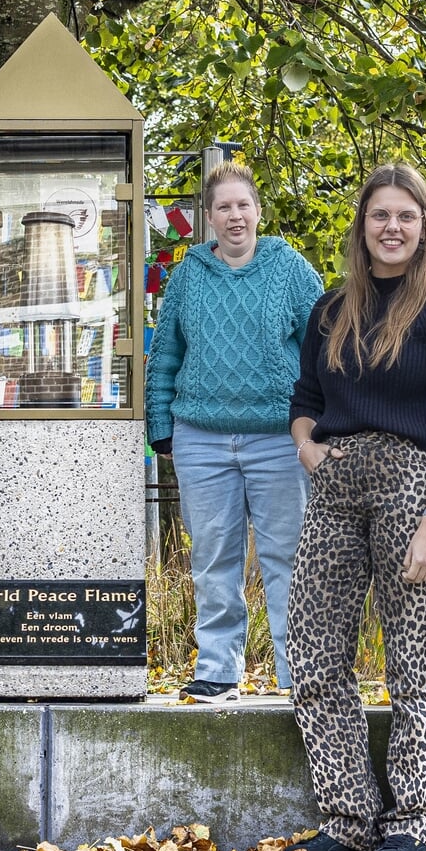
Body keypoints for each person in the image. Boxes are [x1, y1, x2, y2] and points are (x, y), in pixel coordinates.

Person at [282, 162, 426, 851]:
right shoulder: (330, 308)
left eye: (406, 214)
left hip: (412, 482)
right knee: (311, 651)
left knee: (413, 660)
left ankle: (420, 816)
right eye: (380, 215)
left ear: (425, 225)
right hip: (336, 483)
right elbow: (304, 396)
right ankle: (347, 815)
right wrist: (308, 449)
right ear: (362, 226)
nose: (392, 227)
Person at [145, 161, 323, 702]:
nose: (234, 215)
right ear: (209, 216)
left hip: (279, 439)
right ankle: (219, 670)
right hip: (201, 436)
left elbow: (324, 351)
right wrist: (161, 427)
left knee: (287, 559)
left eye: (243, 204)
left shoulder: (291, 271)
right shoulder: (188, 275)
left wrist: (322, 428)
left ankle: (300, 673)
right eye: (223, 206)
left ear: (257, 211)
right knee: (213, 557)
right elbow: (166, 352)